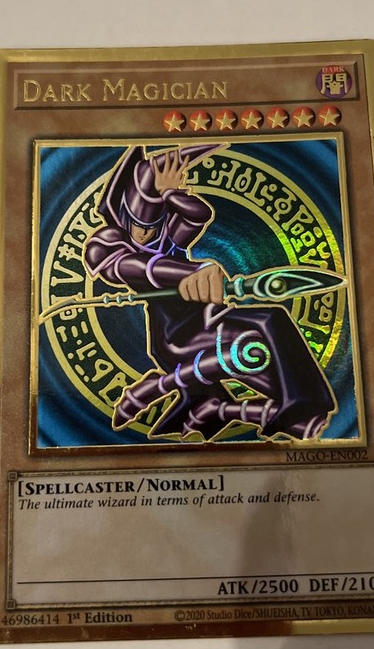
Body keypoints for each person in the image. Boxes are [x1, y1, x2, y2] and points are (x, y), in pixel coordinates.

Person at [85, 144, 336, 440]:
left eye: (152, 226)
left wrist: (171, 193)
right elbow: (133, 267)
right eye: (137, 224)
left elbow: (199, 215)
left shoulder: (165, 234)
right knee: (258, 339)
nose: (144, 233)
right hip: (176, 337)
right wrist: (189, 273)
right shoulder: (108, 243)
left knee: (271, 322)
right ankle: (283, 407)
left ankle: (292, 404)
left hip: (205, 319)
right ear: (124, 214)